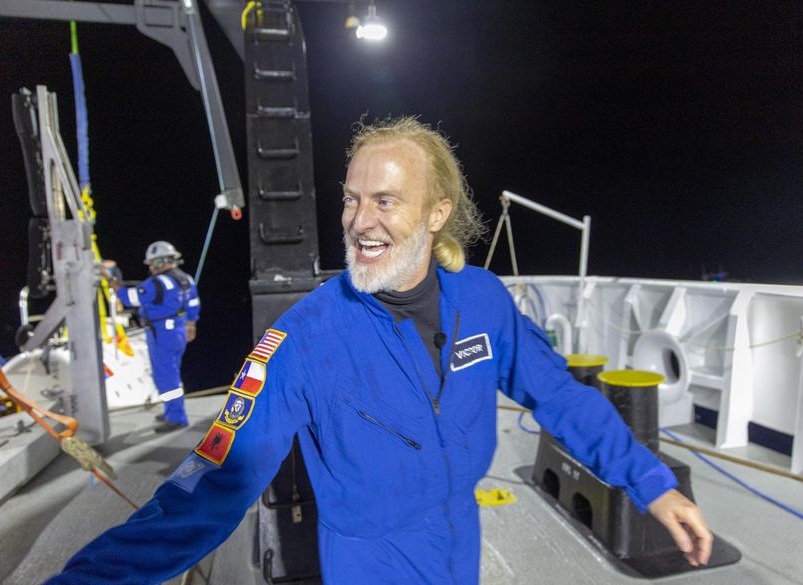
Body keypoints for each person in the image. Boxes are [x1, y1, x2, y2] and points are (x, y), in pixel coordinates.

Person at [49, 118, 711, 584]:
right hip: (370, 561)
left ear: (435, 212)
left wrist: (650, 482)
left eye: (385, 201)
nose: (360, 221)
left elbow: (560, 394)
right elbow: (216, 479)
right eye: (352, 200)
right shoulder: (301, 339)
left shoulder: (482, 300)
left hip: (459, 539)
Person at [102, 241, 200, 433]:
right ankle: (172, 410)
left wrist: (112, 281)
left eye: (151, 264)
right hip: (179, 330)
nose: (150, 268)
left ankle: (176, 418)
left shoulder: (156, 283)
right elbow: (193, 302)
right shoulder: (185, 278)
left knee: (165, 376)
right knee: (173, 373)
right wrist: (191, 324)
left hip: (162, 333)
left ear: (160, 262)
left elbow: (129, 297)